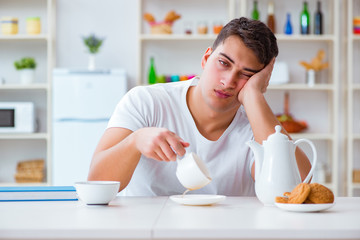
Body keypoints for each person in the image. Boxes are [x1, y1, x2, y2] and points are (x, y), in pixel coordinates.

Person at [88, 17, 311, 196]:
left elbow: (296, 193)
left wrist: (253, 96)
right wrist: (134, 141)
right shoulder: (146, 102)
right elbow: (96, 183)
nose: (228, 81)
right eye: (223, 63)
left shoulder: (255, 126)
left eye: (246, 75)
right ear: (206, 58)